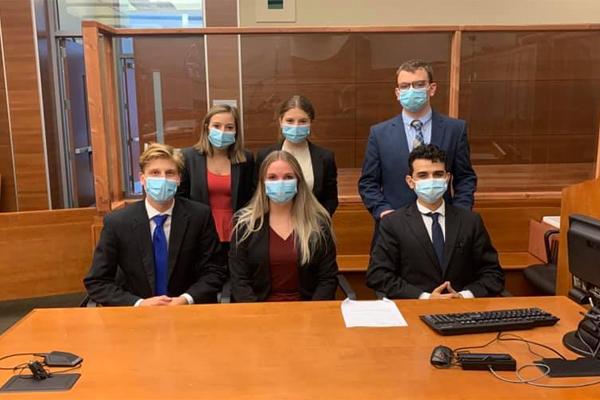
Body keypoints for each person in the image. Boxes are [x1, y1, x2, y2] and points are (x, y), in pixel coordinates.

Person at [84, 143, 227, 306]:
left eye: (170, 173)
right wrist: (139, 304)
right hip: (136, 317)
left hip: (187, 313)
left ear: (179, 179)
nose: (163, 179)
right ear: (143, 179)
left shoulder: (199, 216)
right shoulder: (117, 222)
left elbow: (215, 271)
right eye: (155, 173)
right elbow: (97, 281)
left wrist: (186, 299)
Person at [358, 59, 477, 240]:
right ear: (397, 93)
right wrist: (383, 212)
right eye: (405, 86)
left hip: (443, 225)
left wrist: (459, 213)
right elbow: (368, 182)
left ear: (432, 88)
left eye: (419, 84)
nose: (411, 91)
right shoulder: (379, 134)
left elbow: (465, 178)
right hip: (395, 229)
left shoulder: (455, 129)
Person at [366, 144, 504, 299]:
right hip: (414, 310)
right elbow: (378, 275)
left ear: (447, 178)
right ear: (411, 181)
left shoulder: (470, 221)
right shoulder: (393, 223)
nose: (431, 181)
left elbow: (493, 274)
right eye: (423, 175)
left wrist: (464, 295)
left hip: (463, 311)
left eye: (438, 174)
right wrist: (425, 297)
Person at [229, 150, 339, 302]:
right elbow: (239, 281)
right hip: (259, 312)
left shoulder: (318, 223)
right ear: (262, 183)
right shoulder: (244, 225)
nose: (280, 183)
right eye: (272, 178)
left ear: (298, 181)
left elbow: (327, 279)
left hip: (308, 312)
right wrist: (258, 315)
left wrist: (313, 313)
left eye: (288, 177)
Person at [177, 104, 254, 262]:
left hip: (237, 234)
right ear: (207, 128)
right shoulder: (188, 157)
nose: (222, 131)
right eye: (217, 126)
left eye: (229, 127)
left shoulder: (246, 159)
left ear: (236, 131)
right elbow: (180, 199)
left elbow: (250, 198)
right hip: (199, 234)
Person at [256, 95, 338, 216]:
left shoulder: (325, 157)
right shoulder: (264, 155)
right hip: (273, 225)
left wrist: (319, 223)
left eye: (302, 121)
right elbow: (257, 195)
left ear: (311, 122)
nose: (296, 126)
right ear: (280, 121)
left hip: (312, 226)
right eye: (290, 121)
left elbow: (330, 199)